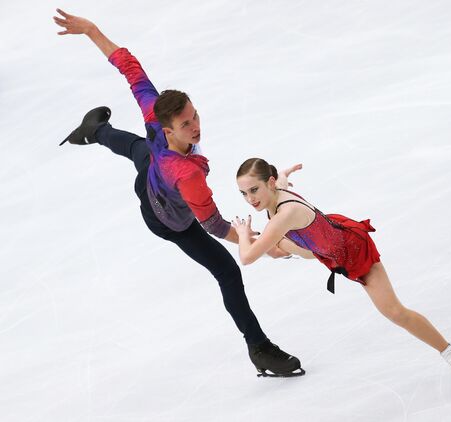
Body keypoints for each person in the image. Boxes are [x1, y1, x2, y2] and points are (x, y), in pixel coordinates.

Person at [53, 9, 304, 378]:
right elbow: (214, 225)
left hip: (154, 172)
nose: (196, 126)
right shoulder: (188, 176)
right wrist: (261, 244)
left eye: (195, 116)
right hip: (169, 219)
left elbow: (129, 67)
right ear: (169, 129)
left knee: (140, 149)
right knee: (228, 272)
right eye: (186, 124)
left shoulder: (156, 116)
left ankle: (97, 131)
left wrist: (92, 30)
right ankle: (259, 348)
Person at [232, 158, 451, 386]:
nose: (250, 199)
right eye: (244, 193)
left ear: (270, 183)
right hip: (320, 248)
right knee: (275, 248)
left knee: (394, 312)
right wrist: (284, 174)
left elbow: (246, 257)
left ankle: (450, 352)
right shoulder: (275, 193)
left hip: (353, 250)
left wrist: (243, 234)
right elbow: (282, 183)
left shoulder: (285, 214)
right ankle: (282, 250)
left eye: (254, 190)